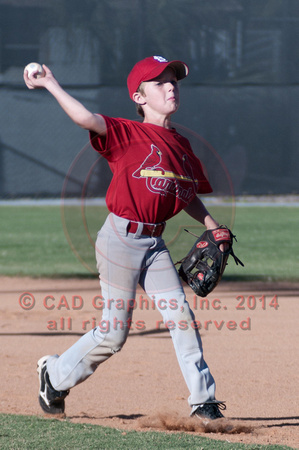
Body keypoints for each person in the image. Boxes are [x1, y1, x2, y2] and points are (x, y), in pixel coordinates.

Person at [24, 55, 226, 421]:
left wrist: (213, 226)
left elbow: (187, 194)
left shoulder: (182, 146)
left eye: (174, 81)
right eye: (160, 82)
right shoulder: (126, 133)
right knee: (114, 335)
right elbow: (85, 119)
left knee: (182, 319)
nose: (170, 87)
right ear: (139, 96)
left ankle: (203, 402)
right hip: (120, 238)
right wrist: (50, 83)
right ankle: (53, 375)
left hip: (154, 245)